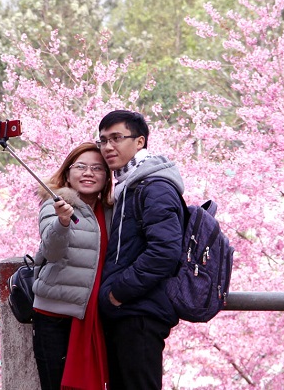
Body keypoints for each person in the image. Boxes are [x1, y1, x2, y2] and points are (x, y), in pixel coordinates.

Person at [96, 110, 185, 390]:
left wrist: (117, 293)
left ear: (140, 142)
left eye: (117, 138)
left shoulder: (154, 186)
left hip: (140, 314)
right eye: (102, 141)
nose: (108, 147)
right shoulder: (129, 186)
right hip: (129, 314)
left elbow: (165, 251)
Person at [32, 142, 113, 390]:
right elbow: (52, 251)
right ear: (68, 173)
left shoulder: (110, 210)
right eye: (81, 167)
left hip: (97, 314)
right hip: (56, 315)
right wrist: (63, 222)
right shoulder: (54, 205)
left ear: (107, 177)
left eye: (97, 168)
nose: (88, 173)